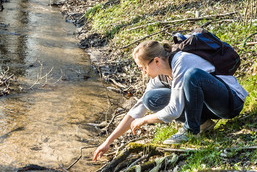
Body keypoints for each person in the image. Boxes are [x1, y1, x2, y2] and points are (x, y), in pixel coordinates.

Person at [93, 40, 248, 162]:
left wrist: (145, 120)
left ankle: (190, 131)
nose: (143, 73)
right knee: (150, 99)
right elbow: (138, 108)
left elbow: (174, 109)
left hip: (230, 103)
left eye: (142, 68)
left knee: (193, 76)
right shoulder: (160, 75)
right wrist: (108, 141)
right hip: (209, 107)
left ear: (156, 61)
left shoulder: (182, 61)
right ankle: (202, 124)